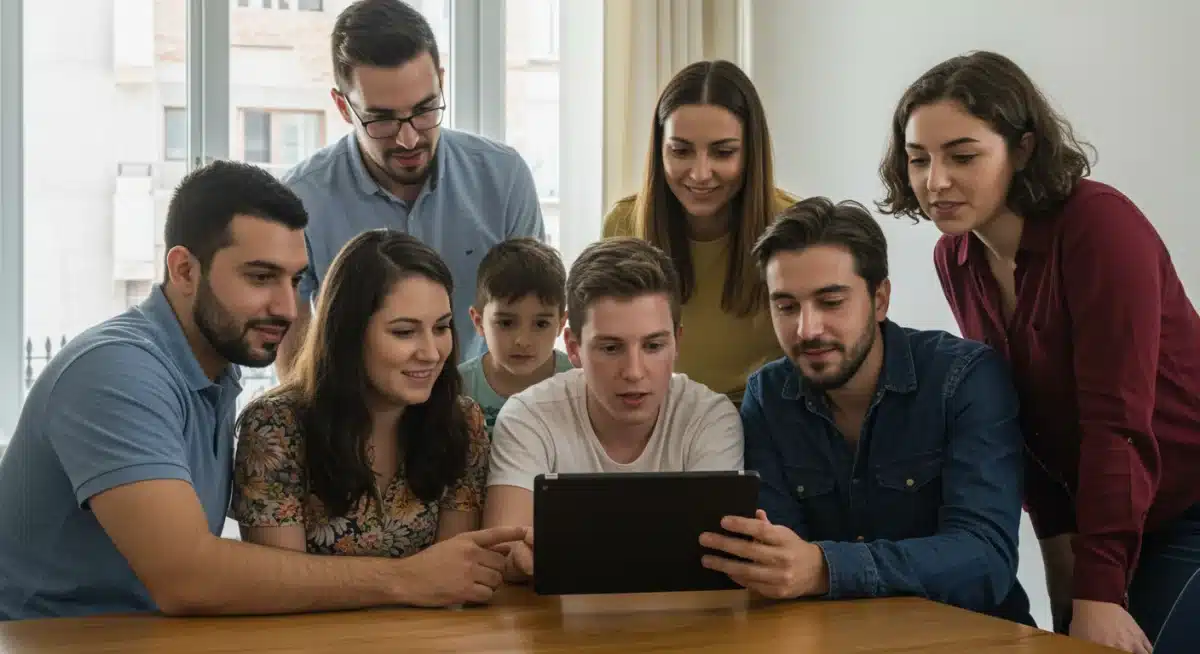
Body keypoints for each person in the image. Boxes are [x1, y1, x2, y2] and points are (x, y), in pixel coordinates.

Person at [0, 161, 525, 620]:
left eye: (295, 280)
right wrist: (406, 579)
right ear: (184, 269)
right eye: (259, 277)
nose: (287, 308)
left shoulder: (212, 372)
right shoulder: (118, 371)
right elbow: (189, 578)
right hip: (56, 637)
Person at [877, 50, 1200, 653]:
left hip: (1188, 502)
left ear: (1023, 149)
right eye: (919, 159)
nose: (936, 181)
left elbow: (1118, 424)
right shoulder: (957, 257)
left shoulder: (1100, 228)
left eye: (963, 156)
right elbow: (1025, 427)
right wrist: (1064, 570)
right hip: (1114, 516)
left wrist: (1099, 594)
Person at [699, 197, 1033, 626]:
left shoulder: (963, 379)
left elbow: (986, 559)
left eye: (831, 301)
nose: (808, 329)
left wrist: (825, 567)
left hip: (969, 636)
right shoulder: (767, 396)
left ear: (880, 299)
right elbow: (776, 561)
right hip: (829, 639)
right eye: (786, 306)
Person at [276, 0, 545, 375]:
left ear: (441, 81)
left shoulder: (504, 178)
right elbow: (295, 361)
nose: (408, 139)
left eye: (424, 110)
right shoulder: (300, 201)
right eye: (381, 119)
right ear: (342, 106)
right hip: (353, 418)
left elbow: (534, 319)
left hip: (481, 413)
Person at [233, 229, 521, 564]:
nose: (431, 353)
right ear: (348, 334)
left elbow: (456, 576)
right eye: (404, 332)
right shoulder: (275, 427)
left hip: (435, 618)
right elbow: (280, 584)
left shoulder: (462, 421)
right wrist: (407, 582)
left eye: (441, 328)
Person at [482, 237, 745, 582]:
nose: (634, 371)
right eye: (610, 347)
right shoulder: (527, 416)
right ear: (574, 348)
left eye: (653, 345)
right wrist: (517, 562)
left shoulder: (711, 417)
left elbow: (717, 560)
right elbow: (501, 554)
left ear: (677, 343)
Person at [602, 60, 794, 404]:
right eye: (681, 151)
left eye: (723, 152)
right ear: (660, 151)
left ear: (751, 153)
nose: (700, 173)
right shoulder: (623, 225)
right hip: (659, 414)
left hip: (765, 414)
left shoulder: (793, 226)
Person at [459, 237, 574, 437]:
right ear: (478, 322)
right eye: (505, 323)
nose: (523, 340)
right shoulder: (458, 386)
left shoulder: (578, 383)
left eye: (541, 324)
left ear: (561, 323)